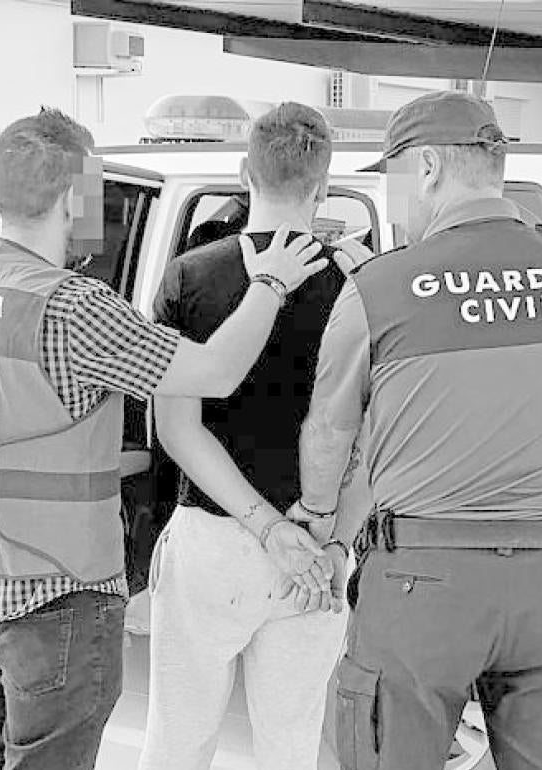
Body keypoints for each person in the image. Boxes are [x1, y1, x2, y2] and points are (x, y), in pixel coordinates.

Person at [0, 107, 335, 770]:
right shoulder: (72, 306)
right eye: (99, 194)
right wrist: (270, 282)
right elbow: (215, 371)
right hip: (53, 586)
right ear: (72, 198)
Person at [296, 90, 542, 770]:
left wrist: (319, 518)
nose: (395, 203)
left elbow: (330, 430)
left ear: (428, 167)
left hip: (425, 583)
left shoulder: (379, 287)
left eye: (393, 178)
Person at [138, 102, 367, 770]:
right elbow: (374, 437)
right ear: (324, 187)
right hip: (319, 545)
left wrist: (265, 528)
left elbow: (176, 429)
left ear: (245, 174)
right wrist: (336, 542)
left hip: (213, 539)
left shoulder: (191, 276)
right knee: (290, 748)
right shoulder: (361, 284)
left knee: (176, 744)